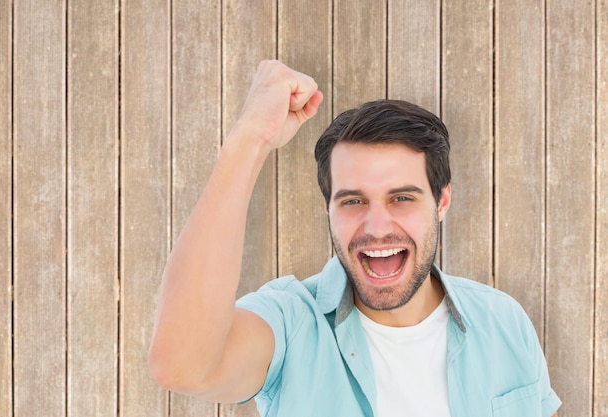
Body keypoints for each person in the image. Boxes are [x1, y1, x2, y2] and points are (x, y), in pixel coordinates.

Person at [148, 60, 561, 417]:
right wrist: (249, 139)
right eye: (352, 201)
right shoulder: (292, 326)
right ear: (327, 209)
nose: (377, 227)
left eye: (402, 198)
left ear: (442, 201)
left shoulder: (504, 321)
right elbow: (182, 365)